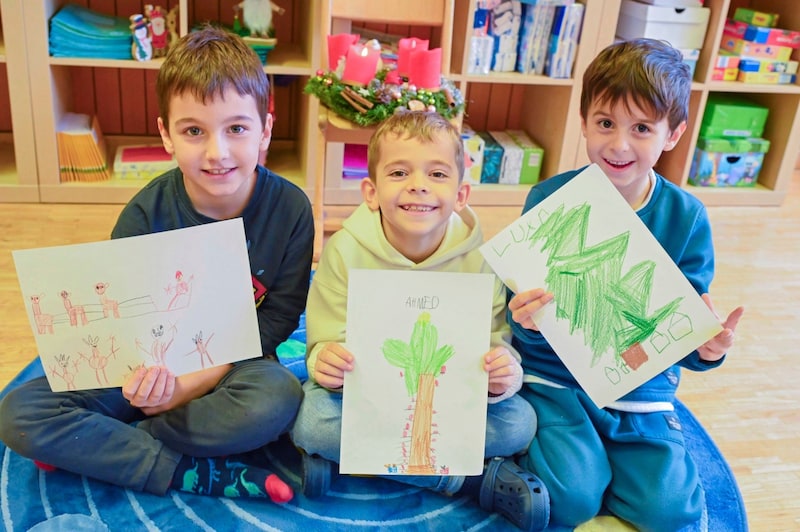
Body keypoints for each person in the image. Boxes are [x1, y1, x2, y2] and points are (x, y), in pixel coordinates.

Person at [0, 26, 314, 503]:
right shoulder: (144, 215)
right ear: (166, 134)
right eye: (194, 131)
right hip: (145, 370)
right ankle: (190, 470)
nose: (217, 153)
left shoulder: (291, 209)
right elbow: (123, 333)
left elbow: (278, 319)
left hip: (233, 366)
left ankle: (110, 446)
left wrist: (193, 385)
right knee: (19, 413)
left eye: (237, 128)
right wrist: (151, 388)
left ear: (265, 129)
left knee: (278, 399)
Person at [506, 38, 745, 530]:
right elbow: (524, 313)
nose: (618, 145)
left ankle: (616, 463)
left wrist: (709, 346)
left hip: (640, 393)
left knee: (669, 511)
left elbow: (685, 331)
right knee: (571, 500)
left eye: (642, 128)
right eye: (605, 123)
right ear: (585, 121)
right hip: (558, 383)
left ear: (673, 134)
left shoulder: (686, 218)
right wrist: (524, 318)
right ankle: (547, 461)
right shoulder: (550, 197)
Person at [290, 110, 549, 531]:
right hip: (367, 398)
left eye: (437, 174)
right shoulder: (343, 251)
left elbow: (495, 341)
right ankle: (469, 483)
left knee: (519, 422)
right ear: (371, 192)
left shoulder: (481, 260)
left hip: (450, 404)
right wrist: (325, 360)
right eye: (399, 172)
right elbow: (323, 338)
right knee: (310, 420)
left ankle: (352, 463)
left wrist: (503, 375)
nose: (418, 185)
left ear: (462, 194)